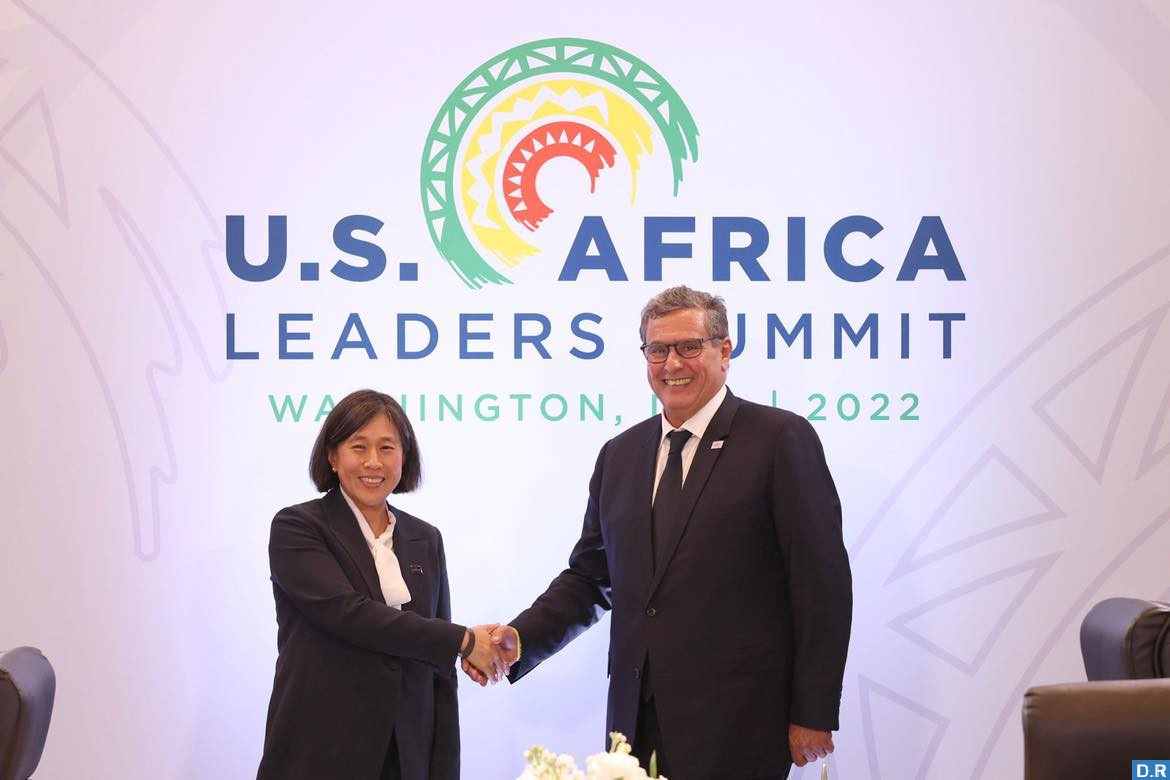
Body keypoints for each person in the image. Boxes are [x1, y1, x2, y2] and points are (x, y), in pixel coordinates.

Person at [473, 287, 853, 779]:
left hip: (741, 722)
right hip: (635, 723)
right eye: (658, 349)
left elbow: (821, 585)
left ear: (724, 351)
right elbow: (591, 578)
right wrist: (521, 637)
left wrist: (813, 710)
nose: (672, 363)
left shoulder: (778, 438)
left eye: (689, 346)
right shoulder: (620, 455)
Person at [258, 389, 502, 780]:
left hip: (407, 757)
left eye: (387, 448)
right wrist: (464, 640)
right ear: (333, 456)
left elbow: (439, 674)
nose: (373, 462)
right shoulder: (298, 527)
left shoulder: (426, 538)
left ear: (404, 458)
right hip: (320, 751)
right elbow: (350, 614)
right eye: (359, 447)